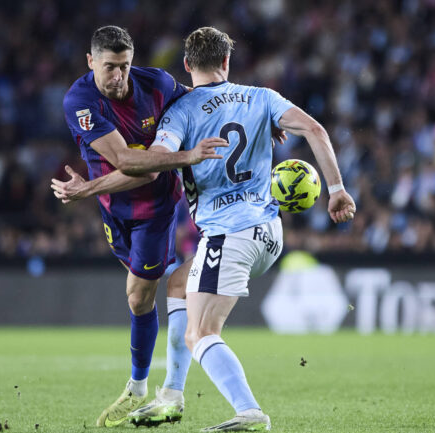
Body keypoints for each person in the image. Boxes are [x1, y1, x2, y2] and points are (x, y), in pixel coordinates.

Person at [70, 26, 356, 431]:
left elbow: (147, 167)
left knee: (200, 333)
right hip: (270, 233)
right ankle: (170, 395)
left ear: (186, 66)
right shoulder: (263, 97)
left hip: (230, 236)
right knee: (175, 286)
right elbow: (316, 130)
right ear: (227, 62)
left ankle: (250, 412)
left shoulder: (181, 113)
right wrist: (337, 191)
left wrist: (90, 188)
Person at [58, 25, 200, 427]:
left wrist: (253, 114)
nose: (118, 77)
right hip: (113, 212)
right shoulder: (80, 101)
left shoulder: (156, 83)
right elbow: (127, 162)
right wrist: (92, 192)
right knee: (139, 293)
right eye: (109, 67)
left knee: (138, 298)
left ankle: (139, 386)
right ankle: (173, 284)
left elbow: (151, 169)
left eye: (124, 66)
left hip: (155, 214)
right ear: (91, 62)